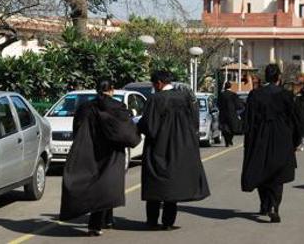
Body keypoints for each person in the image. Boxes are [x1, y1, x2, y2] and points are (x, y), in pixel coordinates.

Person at [60, 79, 141, 236]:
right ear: (112, 90)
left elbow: (77, 128)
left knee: (95, 184)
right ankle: (101, 222)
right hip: (112, 152)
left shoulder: (85, 107)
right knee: (108, 185)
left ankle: (103, 220)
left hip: (89, 148)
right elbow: (127, 131)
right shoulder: (117, 107)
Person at [137, 70, 210, 230]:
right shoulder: (184, 98)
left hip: (159, 148)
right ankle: (168, 222)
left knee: (155, 186)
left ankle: (152, 221)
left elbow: (149, 126)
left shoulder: (155, 99)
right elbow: (194, 122)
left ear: (159, 83)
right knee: (173, 186)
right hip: (181, 147)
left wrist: (138, 127)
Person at [241, 64, 304, 223]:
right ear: (278, 77)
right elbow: (297, 120)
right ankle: (274, 206)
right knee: (278, 175)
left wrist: (249, 140)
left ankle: (265, 204)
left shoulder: (255, 95)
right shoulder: (286, 95)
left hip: (260, 137)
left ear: (266, 77)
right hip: (281, 137)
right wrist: (296, 140)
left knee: (262, 171)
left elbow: (248, 120)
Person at [218, 81, 241, 147]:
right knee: (232, 128)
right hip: (232, 114)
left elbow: (218, 104)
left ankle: (227, 141)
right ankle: (230, 140)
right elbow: (238, 105)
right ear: (230, 86)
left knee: (225, 129)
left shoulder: (221, 95)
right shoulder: (233, 94)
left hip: (223, 114)